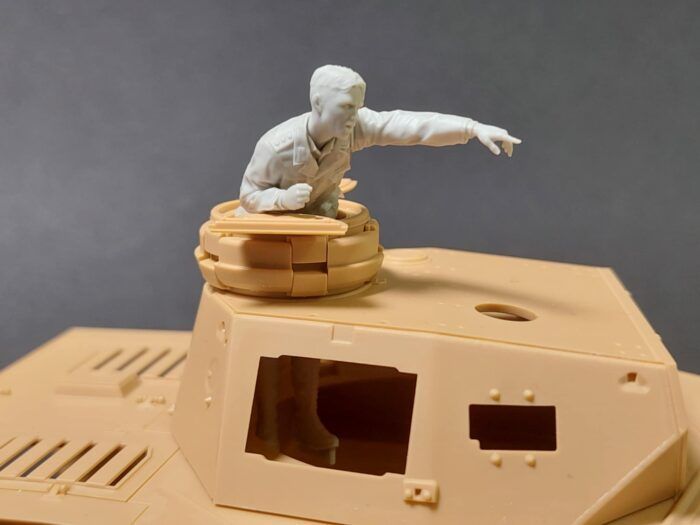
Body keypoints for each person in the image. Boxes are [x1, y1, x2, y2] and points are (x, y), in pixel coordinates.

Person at [238, 64, 521, 218]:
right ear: (318, 102)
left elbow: (413, 126)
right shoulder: (275, 147)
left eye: (358, 107)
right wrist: (282, 199)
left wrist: (471, 128)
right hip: (274, 236)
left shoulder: (354, 127)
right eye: (346, 107)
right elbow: (248, 196)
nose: (354, 116)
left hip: (321, 227)